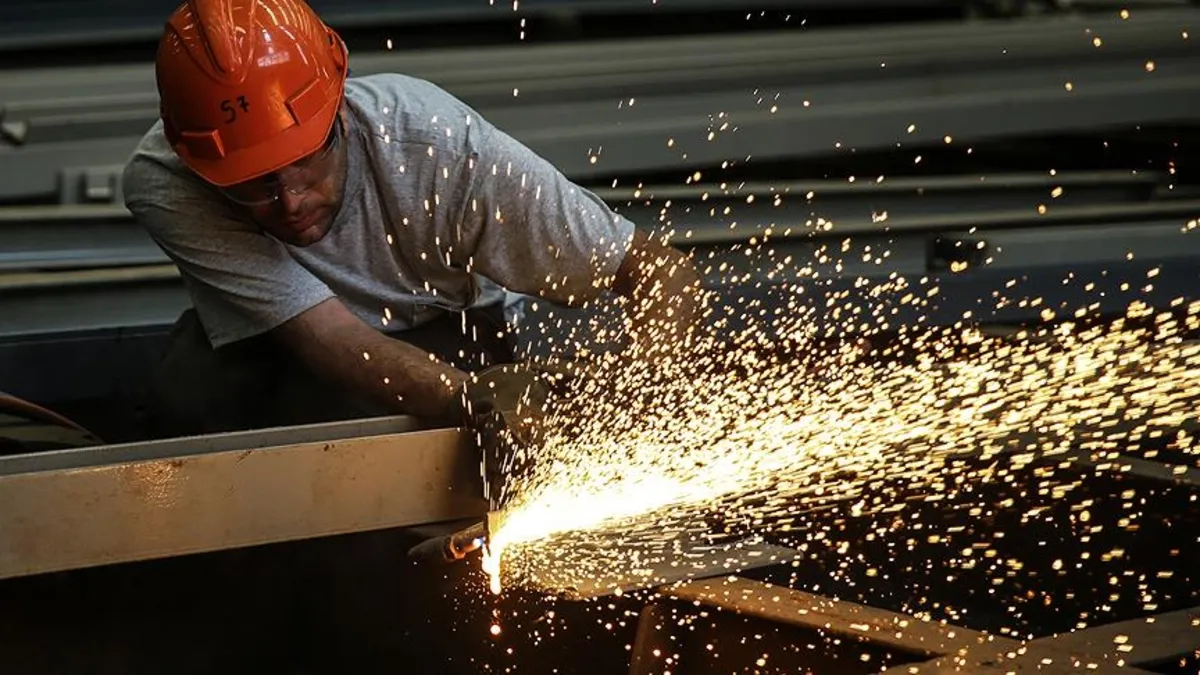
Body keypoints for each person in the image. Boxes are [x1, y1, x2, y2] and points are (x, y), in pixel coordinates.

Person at [122, 0, 707, 439]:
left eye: (304, 163)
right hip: (285, 347)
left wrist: (647, 386)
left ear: (339, 112)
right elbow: (329, 339)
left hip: (445, 329)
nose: (290, 200)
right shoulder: (167, 179)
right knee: (186, 400)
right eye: (253, 184)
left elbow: (658, 270)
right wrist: (466, 397)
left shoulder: (438, 145)